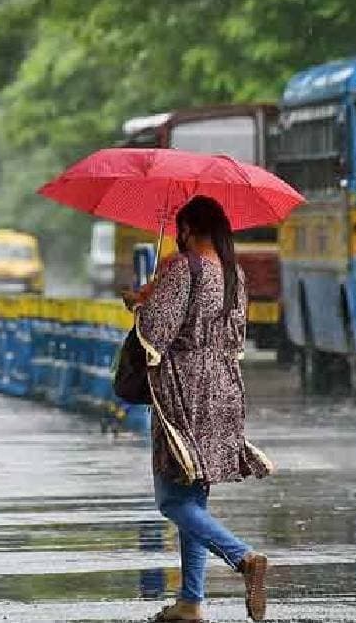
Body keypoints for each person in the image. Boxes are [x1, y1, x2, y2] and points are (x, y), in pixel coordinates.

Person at [124, 196, 273, 622]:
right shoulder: (233, 273)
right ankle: (191, 601)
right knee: (194, 496)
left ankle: (243, 558)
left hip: (183, 390)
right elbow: (236, 333)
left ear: (187, 228)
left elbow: (156, 333)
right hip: (223, 388)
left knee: (172, 499)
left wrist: (142, 302)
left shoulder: (184, 269)